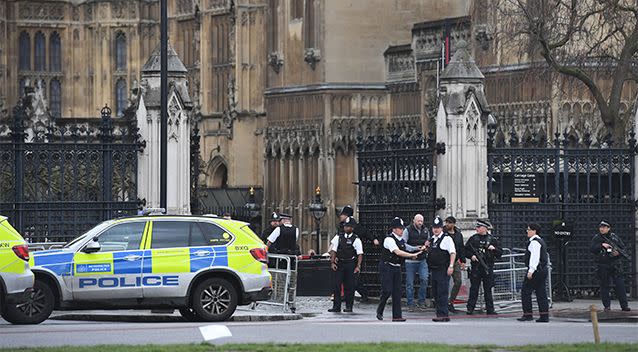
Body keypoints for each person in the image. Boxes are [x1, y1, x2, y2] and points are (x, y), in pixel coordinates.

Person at [377, 217, 421, 322]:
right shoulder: (389, 239)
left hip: (396, 267)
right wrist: (411, 255)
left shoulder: (401, 240)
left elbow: (406, 248)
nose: (402, 230)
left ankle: (397, 316)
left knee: (397, 292)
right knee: (387, 290)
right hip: (387, 266)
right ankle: (380, 309)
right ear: (394, 229)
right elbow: (397, 252)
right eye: (399, 228)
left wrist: (417, 249)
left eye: (402, 228)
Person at [590, 220, 631, 312]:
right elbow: (592, 249)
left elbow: (623, 248)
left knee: (620, 285)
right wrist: (601, 245)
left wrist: (618, 254)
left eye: (604, 227)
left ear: (609, 228)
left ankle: (624, 305)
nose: (602, 229)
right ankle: (607, 306)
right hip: (603, 264)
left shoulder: (614, 237)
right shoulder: (597, 238)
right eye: (601, 227)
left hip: (615, 264)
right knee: (604, 286)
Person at [464, 219, 502, 315]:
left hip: (487, 267)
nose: (476, 229)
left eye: (478, 227)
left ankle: (490, 309)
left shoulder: (492, 239)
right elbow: (465, 250)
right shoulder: (473, 239)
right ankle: (470, 308)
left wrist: (493, 249)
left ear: (484, 228)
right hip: (476, 268)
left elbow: (500, 253)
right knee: (474, 289)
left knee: (488, 289)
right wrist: (471, 256)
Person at [337, 205, 373, 302]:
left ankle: (364, 294)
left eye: (343, 214)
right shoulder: (342, 225)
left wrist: (373, 239)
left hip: (353, 255)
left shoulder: (354, 226)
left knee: (354, 278)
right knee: (346, 277)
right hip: (344, 255)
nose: (340, 216)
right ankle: (346, 295)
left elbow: (365, 232)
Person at [328, 217, 364, 313]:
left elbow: (359, 254)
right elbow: (333, 250)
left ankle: (349, 306)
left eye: (348, 227)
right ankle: (336, 306)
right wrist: (332, 262)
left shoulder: (356, 239)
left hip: (350, 263)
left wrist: (358, 266)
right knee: (336, 285)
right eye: (345, 226)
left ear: (352, 228)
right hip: (340, 263)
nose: (346, 228)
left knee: (350, 286)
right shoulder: (338, 237)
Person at [518, 223, 550, 322]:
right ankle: (544, 316)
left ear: (534, 231)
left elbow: (534, 258)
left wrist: (531, 270)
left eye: (529, 229)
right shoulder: (540, 241)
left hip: (536, 270)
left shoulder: (534, 242)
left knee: (526, 292)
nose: (527, 231)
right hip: (542, 270)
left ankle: (528, 314)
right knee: (541, 293)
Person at [426, 216, 456, 322]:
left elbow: (452, 253)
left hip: (443, 270)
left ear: (441, 228)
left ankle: (443, 315)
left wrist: (451, 266)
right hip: (434, 270)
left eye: (438, 227)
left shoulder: (447, 239)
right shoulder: (432, 239)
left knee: (442, 293)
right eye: (434, 227)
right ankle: (440, 313)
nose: (436, 229)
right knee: (435, 293)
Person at [403, 214, 429, 311]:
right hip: (410, 260)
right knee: (410, 283)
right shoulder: (407, 230)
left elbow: (428, 241)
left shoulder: (425, 230)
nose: (420, 223)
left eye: (421, 221)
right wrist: (414, 249)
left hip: (422, 260)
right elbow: (403, 244)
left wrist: (426, 246)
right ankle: (410, 303)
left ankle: (421, 301)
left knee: (424, 279)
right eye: (418, 221)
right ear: (414, 220)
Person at [445, 216, 465, 313]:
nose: (447, 224)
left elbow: (461, 248)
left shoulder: (458, 235)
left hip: (456, 261)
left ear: (453, 224)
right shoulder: (443, 234)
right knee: (443, 282)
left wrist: (463, 261)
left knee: (458, 281)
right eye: (446, 222)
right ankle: (441, 301)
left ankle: (450, 302)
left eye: (449, 223)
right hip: (444, 261)